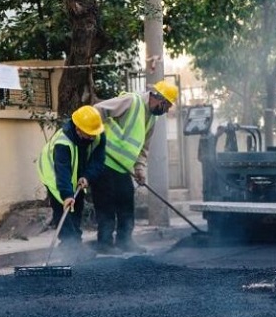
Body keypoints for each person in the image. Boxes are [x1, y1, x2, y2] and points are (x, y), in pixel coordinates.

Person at [91, 80, 178, 254]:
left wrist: (139, 168)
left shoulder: (151, 118)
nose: (166, 110)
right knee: (106, 205)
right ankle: (105, 243)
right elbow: (97, 110)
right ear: (157, 97)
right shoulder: (131, 101)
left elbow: (143, 146)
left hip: (122, 167)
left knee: (126, 203)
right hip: (104, 162)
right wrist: (93, 135)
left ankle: (124, 241)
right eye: (166, 105)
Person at [37, 105, 106, 258]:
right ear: (78, 129)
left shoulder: (97, 133)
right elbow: (62, 171)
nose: (92, 137)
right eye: (88, 134)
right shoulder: (63, 143)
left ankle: (76, 245)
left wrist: (87, 176)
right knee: (64, 209)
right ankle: (69, 247)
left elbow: (98, 161)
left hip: (77, 173)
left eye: (93, 134)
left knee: (78, 205)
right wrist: (67, 195)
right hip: (54, 174)